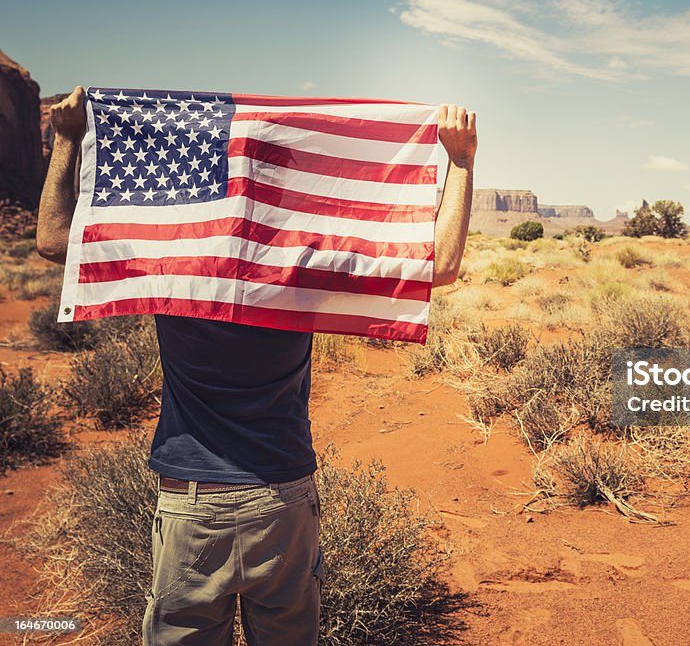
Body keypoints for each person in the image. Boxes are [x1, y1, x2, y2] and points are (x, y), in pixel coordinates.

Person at [37, 86, 477, 645]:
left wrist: (67, 138)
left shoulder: (173, 257)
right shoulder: (300, 265)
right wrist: (459, 161)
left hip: (192, 498)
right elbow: (442, 264)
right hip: (282, 493)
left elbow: (54, 239)